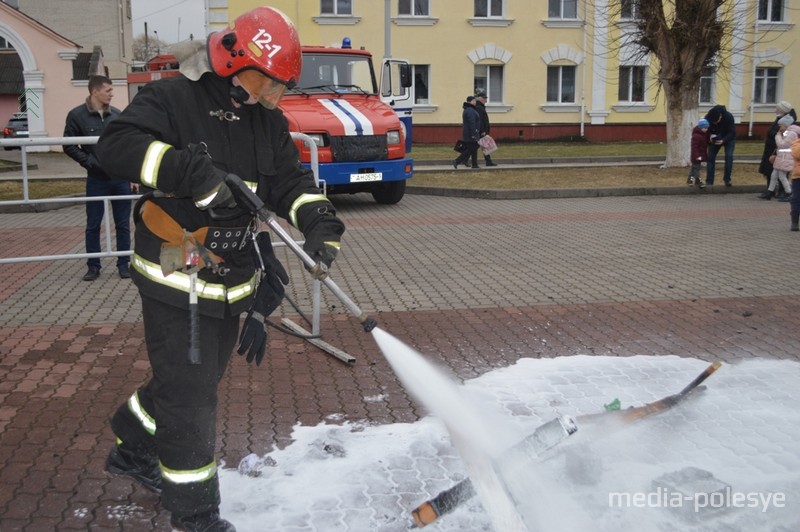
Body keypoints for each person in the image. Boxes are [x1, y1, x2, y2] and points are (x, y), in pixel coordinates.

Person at [94, 7, 345, 531]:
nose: (274, 97)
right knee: (191, 398)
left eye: (282, 87)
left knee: (194, 378)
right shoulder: (172, 99)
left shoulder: (266, 122)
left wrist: (319, 219)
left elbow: (287, 184)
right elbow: (114, 146)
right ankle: (195, 513)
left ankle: (131, 438)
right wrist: (190, 171)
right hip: (175, 274)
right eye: (267, 82)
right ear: (232, 61)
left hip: (231, 279)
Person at [64, 75, 135, 281]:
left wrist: (131, 173)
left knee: (122, 224)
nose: (112, 94)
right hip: (96, 180)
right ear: (95, 92)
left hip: (119, 178)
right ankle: (93, 266)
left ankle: (124, 264)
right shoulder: (77, 115)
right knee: (93, 224)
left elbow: (127, 145)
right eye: (108, 90)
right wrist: (90, 163)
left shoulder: (117, 115)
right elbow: (68, 144)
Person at [758, 101, 796, 199]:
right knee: (774, 174)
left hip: (784, 156)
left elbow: (782, 144)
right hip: (776, 153)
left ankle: (788, 192)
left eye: (781, 127)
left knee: (782, 176)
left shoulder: (790, 132)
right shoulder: (780, 121)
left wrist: (777, 136)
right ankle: (770, 192)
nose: (780, 128)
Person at [704, 104, 736, 187]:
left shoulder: (729, 117)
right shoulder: (707, 118)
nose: (715, 123)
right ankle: (709, 181)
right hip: (715, 138)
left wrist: (723, 140)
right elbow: (705, 130)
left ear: (720, 116)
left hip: (728, 138)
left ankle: (727, 180)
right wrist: (710, 136)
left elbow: (732, 132)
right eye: (713, 122)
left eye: (716, 121)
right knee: (710, 158)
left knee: (729, 157)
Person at [452, 95, 481, 169]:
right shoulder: (470, 110)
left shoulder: (469, 109)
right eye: (474, 101)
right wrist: (474, 133)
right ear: (470, 101)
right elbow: (472, 123)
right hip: (471, 133)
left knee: (473, 148)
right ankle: (457, 161)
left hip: (469, 132)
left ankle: (474, 164)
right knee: (473, 148)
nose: (475, 102)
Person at [474, 91, 497, 166]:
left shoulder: (480, 106)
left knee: (483, 146)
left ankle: (488, 161)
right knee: (478, 146)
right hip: (481, 131)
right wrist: (483, 130)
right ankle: (462, 159)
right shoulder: (479, 107)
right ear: (480, 98)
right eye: (484, 98)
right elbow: (480, 120)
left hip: (481, 130)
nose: (486, 100)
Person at [687, 118, 709, 189]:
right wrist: (697, 156)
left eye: (707, 128)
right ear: (701, 127)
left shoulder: (703, 135)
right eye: (705, 128)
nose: (706, 129)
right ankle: (699, 181)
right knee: (696, 169)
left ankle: (689, 180)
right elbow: (694, 147)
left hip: (700, 155)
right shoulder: (696, 136)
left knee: (694, 169)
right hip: (696, 156)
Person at [790, 139, 800, 231]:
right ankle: (795, 222)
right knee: (796, 199)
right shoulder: (796, 143)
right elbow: (797, 154)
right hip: (798, 177)